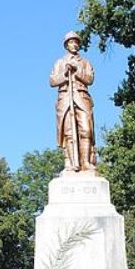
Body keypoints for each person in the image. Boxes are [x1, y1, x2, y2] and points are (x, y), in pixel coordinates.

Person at [49, 31, 96, 171]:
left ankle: (85, 162)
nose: (74, 44)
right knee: (68, 132)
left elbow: (90, 79)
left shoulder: (85, 62)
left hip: (81, 96)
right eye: (71, 42)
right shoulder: (59, 63)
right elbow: (52, 81)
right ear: (66, 45)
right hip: (65, 98)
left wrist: (76, 71)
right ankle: (69, 162)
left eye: (76, 42)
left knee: (86, 130)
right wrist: (65, 74)